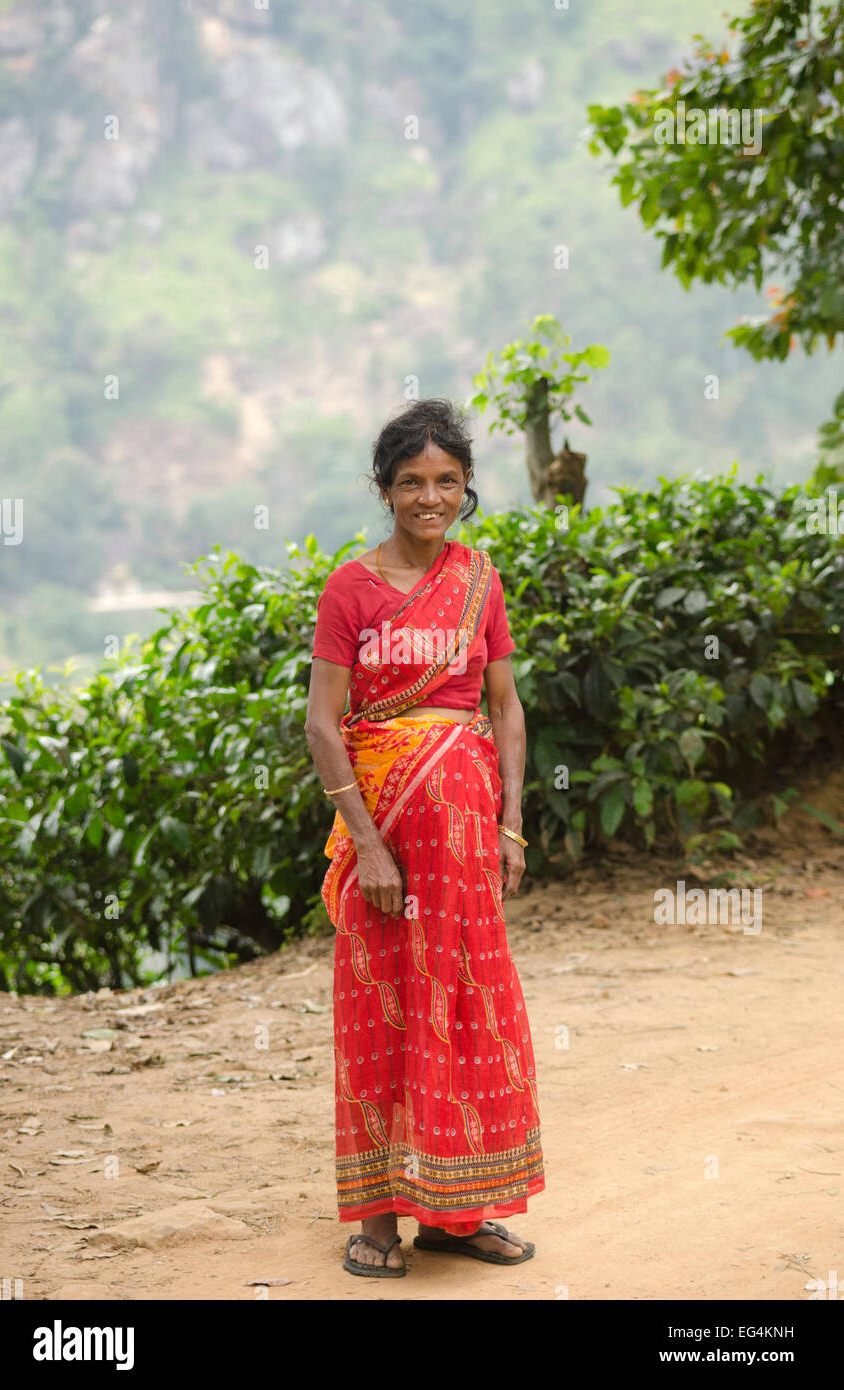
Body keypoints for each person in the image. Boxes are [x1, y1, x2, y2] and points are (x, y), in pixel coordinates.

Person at [305, 398, 544, 1278]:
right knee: (383, 1012)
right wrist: (368, 844)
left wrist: (510, 824)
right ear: (384, 489)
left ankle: (455, 1210)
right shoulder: (352, 588)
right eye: (411, 482)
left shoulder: (479, 579)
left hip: (465, 846)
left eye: (446, 482)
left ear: (467, 486)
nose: (429, 498)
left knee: (465, 1008)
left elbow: (505, 706)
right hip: (387, 845)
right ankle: (376, 1221)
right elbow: (323, 726)